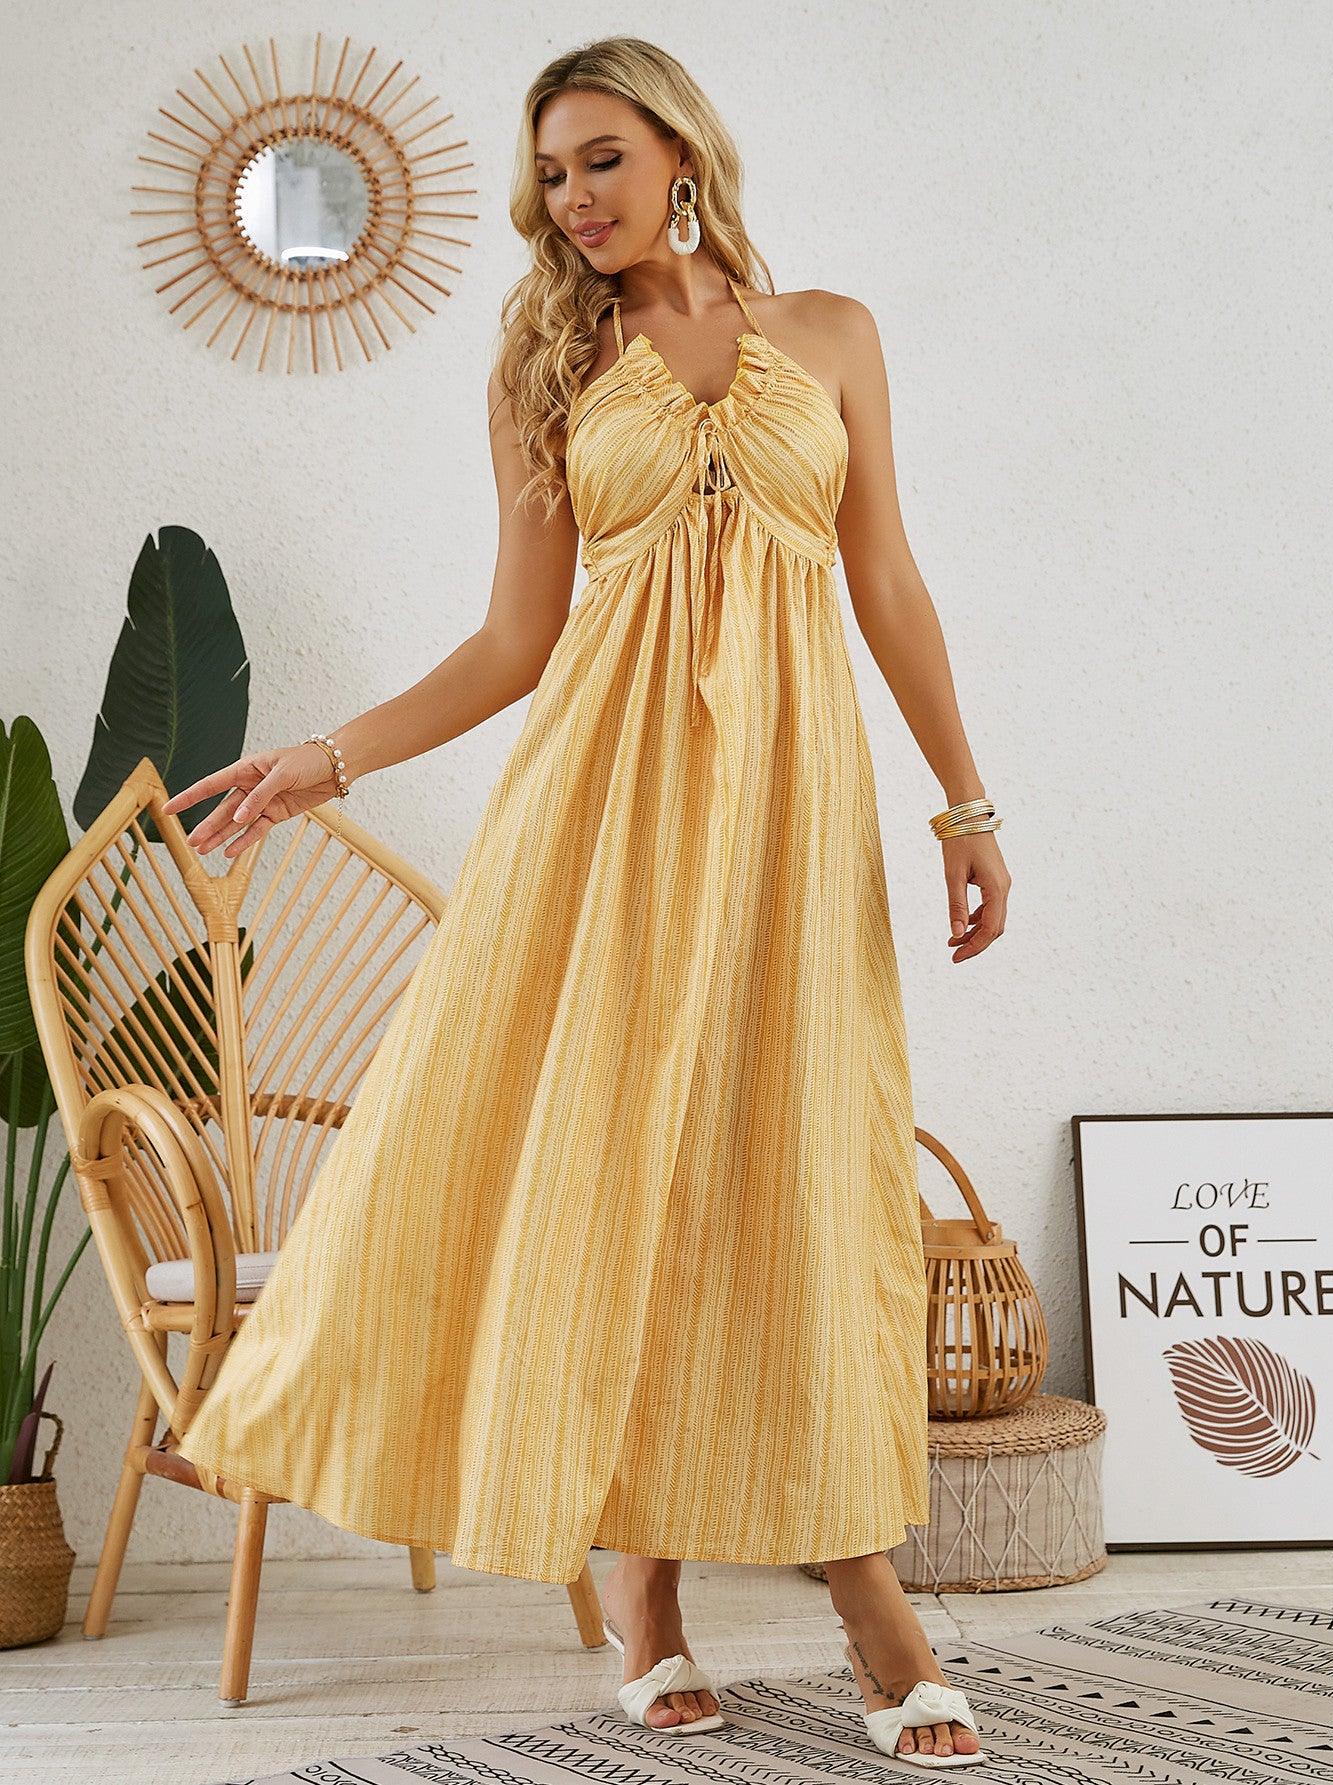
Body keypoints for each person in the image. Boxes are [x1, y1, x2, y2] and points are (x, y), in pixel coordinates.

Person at [166, 34, 1007, 1768]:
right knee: (613, 1168)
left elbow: (888, 580)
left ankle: (835, 1580)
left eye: (601, 159)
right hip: (604, 815)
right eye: (551, 174)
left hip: (790, 822)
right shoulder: (546, 362)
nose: (574, 199)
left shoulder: (832, 334)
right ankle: (689, 1601)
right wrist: (328, 757)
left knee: (786, 1167)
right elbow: (514, 640)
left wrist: (966, 802)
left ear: (681, 149)